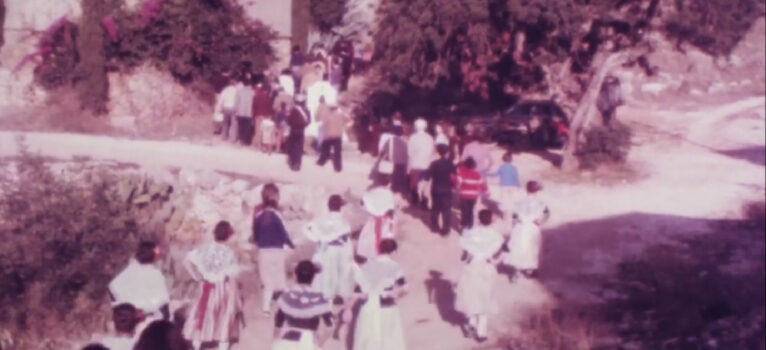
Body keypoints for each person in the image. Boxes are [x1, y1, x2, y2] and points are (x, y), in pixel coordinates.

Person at [183, 221, 244, 350]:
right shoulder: (229, 253)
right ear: (228, 236)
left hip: (206, 286)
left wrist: (197, 277)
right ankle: (222, 344)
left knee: (202, 314)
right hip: (223, 287)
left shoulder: (204, 248)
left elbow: (187, 261)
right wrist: (237, 298)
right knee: (224, 315)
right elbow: (233, 275)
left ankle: (197, 344)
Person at [455, 210, 505, 343]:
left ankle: (471, 322)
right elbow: (503, 253)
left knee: (472, 295)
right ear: (492, 220)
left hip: (471, 268)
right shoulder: (496, 236)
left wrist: (471, 257)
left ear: (479, 220)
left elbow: (464, 257)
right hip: (486, 269)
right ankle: (481, 332)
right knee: (485, 297)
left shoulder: (469, 235)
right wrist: (494, 261)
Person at [352, 239, 407, 350]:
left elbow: (358, 290)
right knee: (389, 339)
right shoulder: (394, 267)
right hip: (386, 307)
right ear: (393, 252)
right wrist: (396, 296)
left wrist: (349, 308)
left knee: (367, 338)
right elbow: (405, 288)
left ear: (379, 249)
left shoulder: (366, 265)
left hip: (368, 306)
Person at [271, 261, 334, 350]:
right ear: (313, 277)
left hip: (287, 341)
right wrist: (320, 343)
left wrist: (275, 343)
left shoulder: (286, 297)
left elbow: (278, 324)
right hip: (309, 341)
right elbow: (330, 326)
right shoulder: (321, 299)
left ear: (296, 276)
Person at [253, 183, 296, 313]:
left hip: (264, 251)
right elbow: (283, 233)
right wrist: (291, 244)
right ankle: (291, 303)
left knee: (268, 281)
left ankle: (266, 308)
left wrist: (259, 244)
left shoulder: (258, 216)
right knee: (280, 277)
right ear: (275, 198)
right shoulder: (277, 215)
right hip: (277, 251)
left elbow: (256, 234)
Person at [304, 195, 354, 303]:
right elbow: (346, 243)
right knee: (336, 277)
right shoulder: (345, 223)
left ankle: (321, 299)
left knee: (323, 277)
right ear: (341, 207)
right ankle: (333, 300)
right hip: (338, 252)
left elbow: (309, 232)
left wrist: (320, 239)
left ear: (328, 206)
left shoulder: (319, 220)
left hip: (324, 251)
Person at [109, 241, 170, 320]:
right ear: (153, 255)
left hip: (130, 320)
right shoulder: (155, 274)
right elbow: (163, 302)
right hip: (148, 318)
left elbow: (112, 288)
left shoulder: (129, 270)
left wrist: (119, 308)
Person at [505, 181, 550, 278]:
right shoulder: (540, 203)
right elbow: (547, 213)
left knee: (518, 246)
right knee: (531, 247)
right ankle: (530, 269)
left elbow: (514, 216)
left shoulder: (519, 203)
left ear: (526, 190)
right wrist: (541, 221)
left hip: (520, 226)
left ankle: (516, 270)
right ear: (537, 191)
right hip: (532, 226)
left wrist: (515, 226)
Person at [356, 187, 396, 262]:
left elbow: (390, 232)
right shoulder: (376, 219)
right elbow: (377, 234)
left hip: (380, 242)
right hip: (374, 244)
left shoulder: (388, 219)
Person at [425, 144, 456, 236]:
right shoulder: (451, 164)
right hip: (447, 189)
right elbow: (454, 177)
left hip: (436, 188)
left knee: (435, 208)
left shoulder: (434, 164)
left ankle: (434, 226)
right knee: (446, 210)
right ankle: (445, 229)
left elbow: (427, 177)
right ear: (447, 153)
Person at [407, 118, 436, 208]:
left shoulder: (412, 138)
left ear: (415, 127)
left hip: (415, 164)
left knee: (414, 184)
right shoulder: (430, 138)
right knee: (425, 185)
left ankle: (415, 201)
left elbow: (409, 152)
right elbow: (432, 151)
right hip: (427, 164)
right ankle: (424, 202)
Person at [454, 157, 488, 230]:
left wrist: (452, 178)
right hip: (473, 196)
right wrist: (486, 191)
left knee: (464, 211)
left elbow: (457, 183)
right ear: (474, 165)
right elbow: (482, 184)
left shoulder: (462, 173)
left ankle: (464, 226)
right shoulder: (477, 174)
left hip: (464, 195)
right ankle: (470, 226)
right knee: (471, 211)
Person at [316, 103, 347, 173]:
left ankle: (321, 162)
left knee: (325, 150)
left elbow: (323, 123)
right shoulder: (341, 115)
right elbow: (347, 119)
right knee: (337, 152)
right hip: (338, 135)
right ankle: (338, 167)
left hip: (328, 135)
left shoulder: (328, 115)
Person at [379, 126, 409, 195]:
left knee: (392, 179)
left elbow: (383, 151)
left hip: (392, 162)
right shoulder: (406, 140)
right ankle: (399, 193)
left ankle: (391, 191)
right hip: (403, 163)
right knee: (399, 181)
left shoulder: (390, 140)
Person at [286, 95, 310, 171]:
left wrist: (291, 124)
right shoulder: (306, 110)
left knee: (292, 146)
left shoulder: (293, 110)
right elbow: (308, 121)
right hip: (301, 129)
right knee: (299, 147)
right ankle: (298, 163)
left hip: (293, 129)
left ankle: (293, 162)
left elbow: (288, 120)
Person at [234, 76, 256, 145]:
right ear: (250, 84)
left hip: (240, 112)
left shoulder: (239, 92)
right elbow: (254, 103)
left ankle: (240, 140)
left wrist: (236, 111)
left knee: (240, 126)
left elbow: (236, 102)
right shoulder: (253, 93)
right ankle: (245, 140)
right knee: (247, 128)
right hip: (249, 112)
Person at [253, 83, 274, 151]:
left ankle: (257, 145)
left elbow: (254, 106)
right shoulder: (268, 98)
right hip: (266, 116)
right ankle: (264, 146)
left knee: (258, 130)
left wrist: (254, 114)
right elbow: (270, 108)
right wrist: (271, 115)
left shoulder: (257, 96)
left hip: (258, 115)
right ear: (268, 90)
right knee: (265, 132)